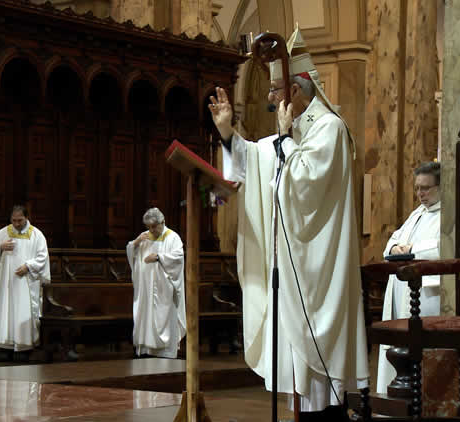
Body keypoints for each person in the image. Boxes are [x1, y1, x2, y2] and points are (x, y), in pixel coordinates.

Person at [208, 26, 368, 420]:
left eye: (275, 92)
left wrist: (284, 139)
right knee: (296, 378)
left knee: (317, 379)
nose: (270, 100)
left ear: (296, 90)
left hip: (317, 272)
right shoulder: (294, 131)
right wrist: (227, 131)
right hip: (291, 269)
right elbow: (254, 160)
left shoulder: (328, 128)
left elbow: (304, 187)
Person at [376, 162, 441, 394]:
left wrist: (411, 249)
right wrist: (394, 249)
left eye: (426, 188)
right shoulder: (418, 213)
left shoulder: (447, 215)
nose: (420, 194)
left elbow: (443, 247)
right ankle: (394, 394)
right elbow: (393, 240)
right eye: (417, 188)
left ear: (440, 187)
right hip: (401, 291)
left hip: (424, 296)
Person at [0, 205, 50, 361]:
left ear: (27, 218)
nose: (16, 224)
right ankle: (5, 344)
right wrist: (0, 247)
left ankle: (23, 346)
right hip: (6, 282)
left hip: (26, 282)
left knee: (23, 311)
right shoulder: (4, 232)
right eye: (13, 220)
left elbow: (43, 257)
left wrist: (28, 266)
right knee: (6, 310)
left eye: (19, 220)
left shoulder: (36, 235)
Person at [126, 207, 186, 358]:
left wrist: (159, 257)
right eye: (148, 227)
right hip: (146, 288)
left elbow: (178, 257)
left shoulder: (172, 237)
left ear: (163, 222)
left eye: (154, 226)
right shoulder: (145, 236)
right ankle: (147, 349)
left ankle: (165, 351)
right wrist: (137, 242)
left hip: (163, 289)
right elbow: (130, 250)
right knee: (146, 316)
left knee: (163, 317)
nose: (151, 230)